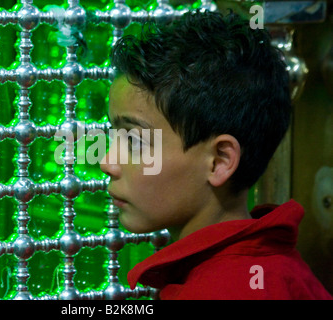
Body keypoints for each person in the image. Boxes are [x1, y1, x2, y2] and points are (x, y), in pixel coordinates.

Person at [99, 10, 332, 300]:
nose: (107, 162)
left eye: (134, 141)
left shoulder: (228, 290)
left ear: (220, 161)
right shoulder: (272, 268)